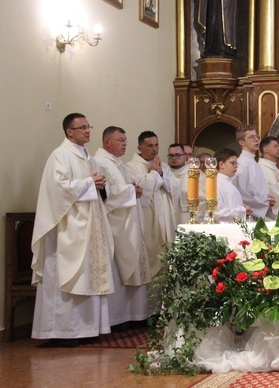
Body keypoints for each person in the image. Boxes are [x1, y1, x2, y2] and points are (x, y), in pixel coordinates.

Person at [31, 113, 115, 346]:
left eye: (89, 126)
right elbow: (57, 189)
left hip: (90, 226)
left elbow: (96, 187)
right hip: (68, 229)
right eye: (82, 128)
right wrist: (90, 183)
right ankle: (60, 331)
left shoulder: (88, 157)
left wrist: (100, 186)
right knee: (66, 273)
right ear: (69, 132)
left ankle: (86, 329)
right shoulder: (61, 155)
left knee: (89, 274)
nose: (88, 131)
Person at [93, 126, 151, 326]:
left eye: (126, 140)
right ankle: (117, 318)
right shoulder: (100, 162)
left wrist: (135, 189)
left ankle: (133, 315)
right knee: (118, 270)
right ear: (107, 142)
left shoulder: (118, 163)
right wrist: (128, 191)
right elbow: (104, 194)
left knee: (133, 266)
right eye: (120, 140)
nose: (125, 144)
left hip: (129, 222)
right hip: (116, 226)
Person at [127, 131, 174, 278]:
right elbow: (141, 192)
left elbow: (175, 188)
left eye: (156, 145)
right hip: (148, 219)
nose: (154, 149)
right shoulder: (131, 167)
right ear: (140, 148)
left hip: (165, 219)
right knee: (151, 259)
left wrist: (160, 174)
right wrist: (154, 173)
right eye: (149, 146)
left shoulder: (164, 166)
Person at [232, 125, 275, 220]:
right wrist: (265, 202)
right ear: (241, 142)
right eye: (251, 137)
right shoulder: (241, 165)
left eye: (257, 136)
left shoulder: (254, 163)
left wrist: (268, 199)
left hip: (260, 212)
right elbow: (242, 195)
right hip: (249, 216)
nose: (256, 140)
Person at [165, 143, 204, 225]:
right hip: (167, 218)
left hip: (187, 217)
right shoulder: (164, 173)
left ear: (185, 157)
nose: (174, 158)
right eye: (171, 156)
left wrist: (197, 219)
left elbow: (203, 198)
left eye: (178, 155)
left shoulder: (195, 173)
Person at [214, 148, 252, 223]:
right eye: (232, 163)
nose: (236, 166)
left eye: (236, 163)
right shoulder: (215, 183)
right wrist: (242, 211)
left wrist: (243, 211)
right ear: (221, 164)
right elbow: (217, 212)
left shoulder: (228, 182)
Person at [259, 136, 279, 219]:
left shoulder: (272, 166)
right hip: (270, 216)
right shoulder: (261, 168)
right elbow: (269, 192)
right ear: (266, 149)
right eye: (275, 146)